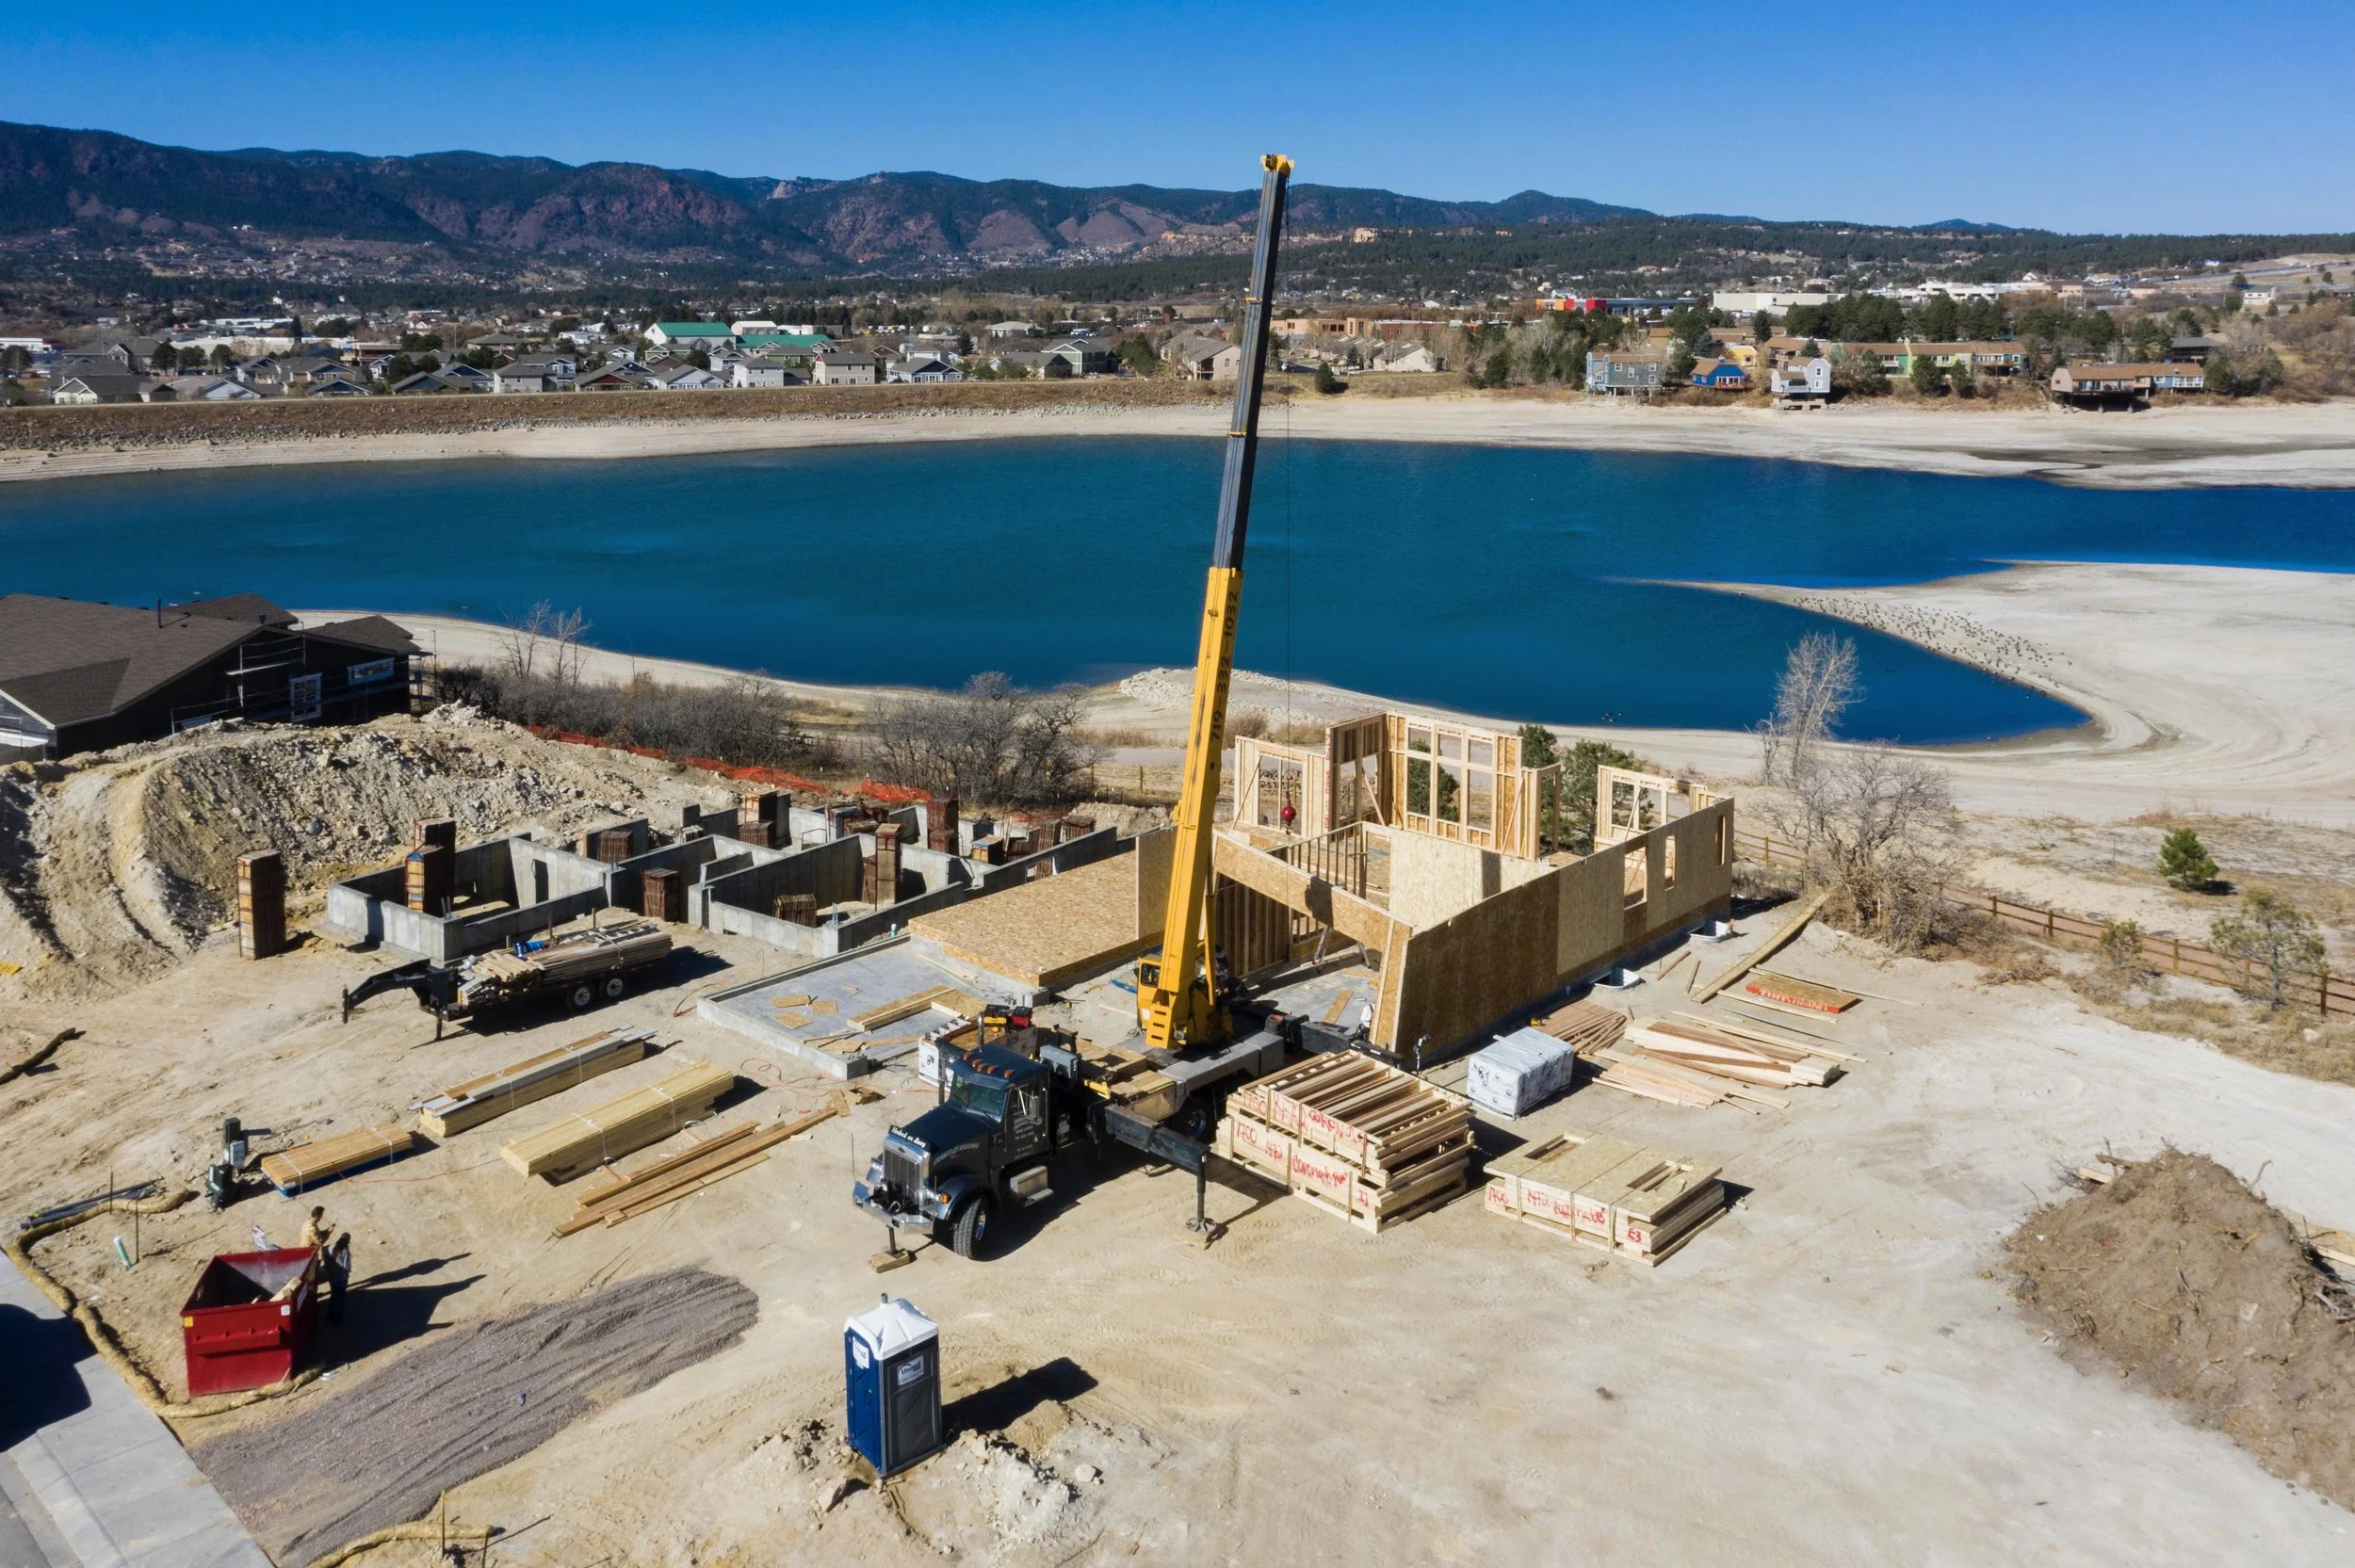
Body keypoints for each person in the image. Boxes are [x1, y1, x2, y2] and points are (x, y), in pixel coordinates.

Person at [324, 1233, 351, 1326]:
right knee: (340, 1299)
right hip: (341, 1279)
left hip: (332, 1278)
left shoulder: (332, 1249)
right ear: (348, 1241)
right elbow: (347, 1266)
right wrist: (347, 1273)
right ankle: (338, 1320)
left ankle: (330, 1317)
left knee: (333, 1297)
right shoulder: (345, 1252)